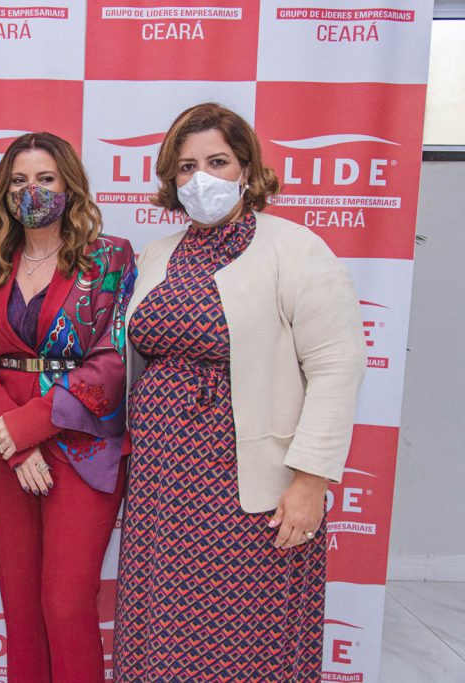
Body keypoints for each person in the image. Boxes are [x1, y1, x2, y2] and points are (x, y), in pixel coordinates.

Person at [113, 102, 366, 682]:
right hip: (163, 491)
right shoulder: (159, 254)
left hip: (250, 490)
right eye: (185, 167)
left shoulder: (296, 250)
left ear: (247, 169)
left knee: (251, 641)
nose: (200, 178)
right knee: (163, 632)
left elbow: (337, 365)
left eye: (217, 162)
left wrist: (310, 481)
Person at [0, 132, 136, 683]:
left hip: (82, 449)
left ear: (68, 185)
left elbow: (112, 363)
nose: (31, 190)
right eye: (19, 180)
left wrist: (28, 427)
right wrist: (14, 447)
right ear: (3, 191)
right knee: (20, 609)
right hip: (9, 454)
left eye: (45, 179)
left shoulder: (109, 257)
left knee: (65, 604)